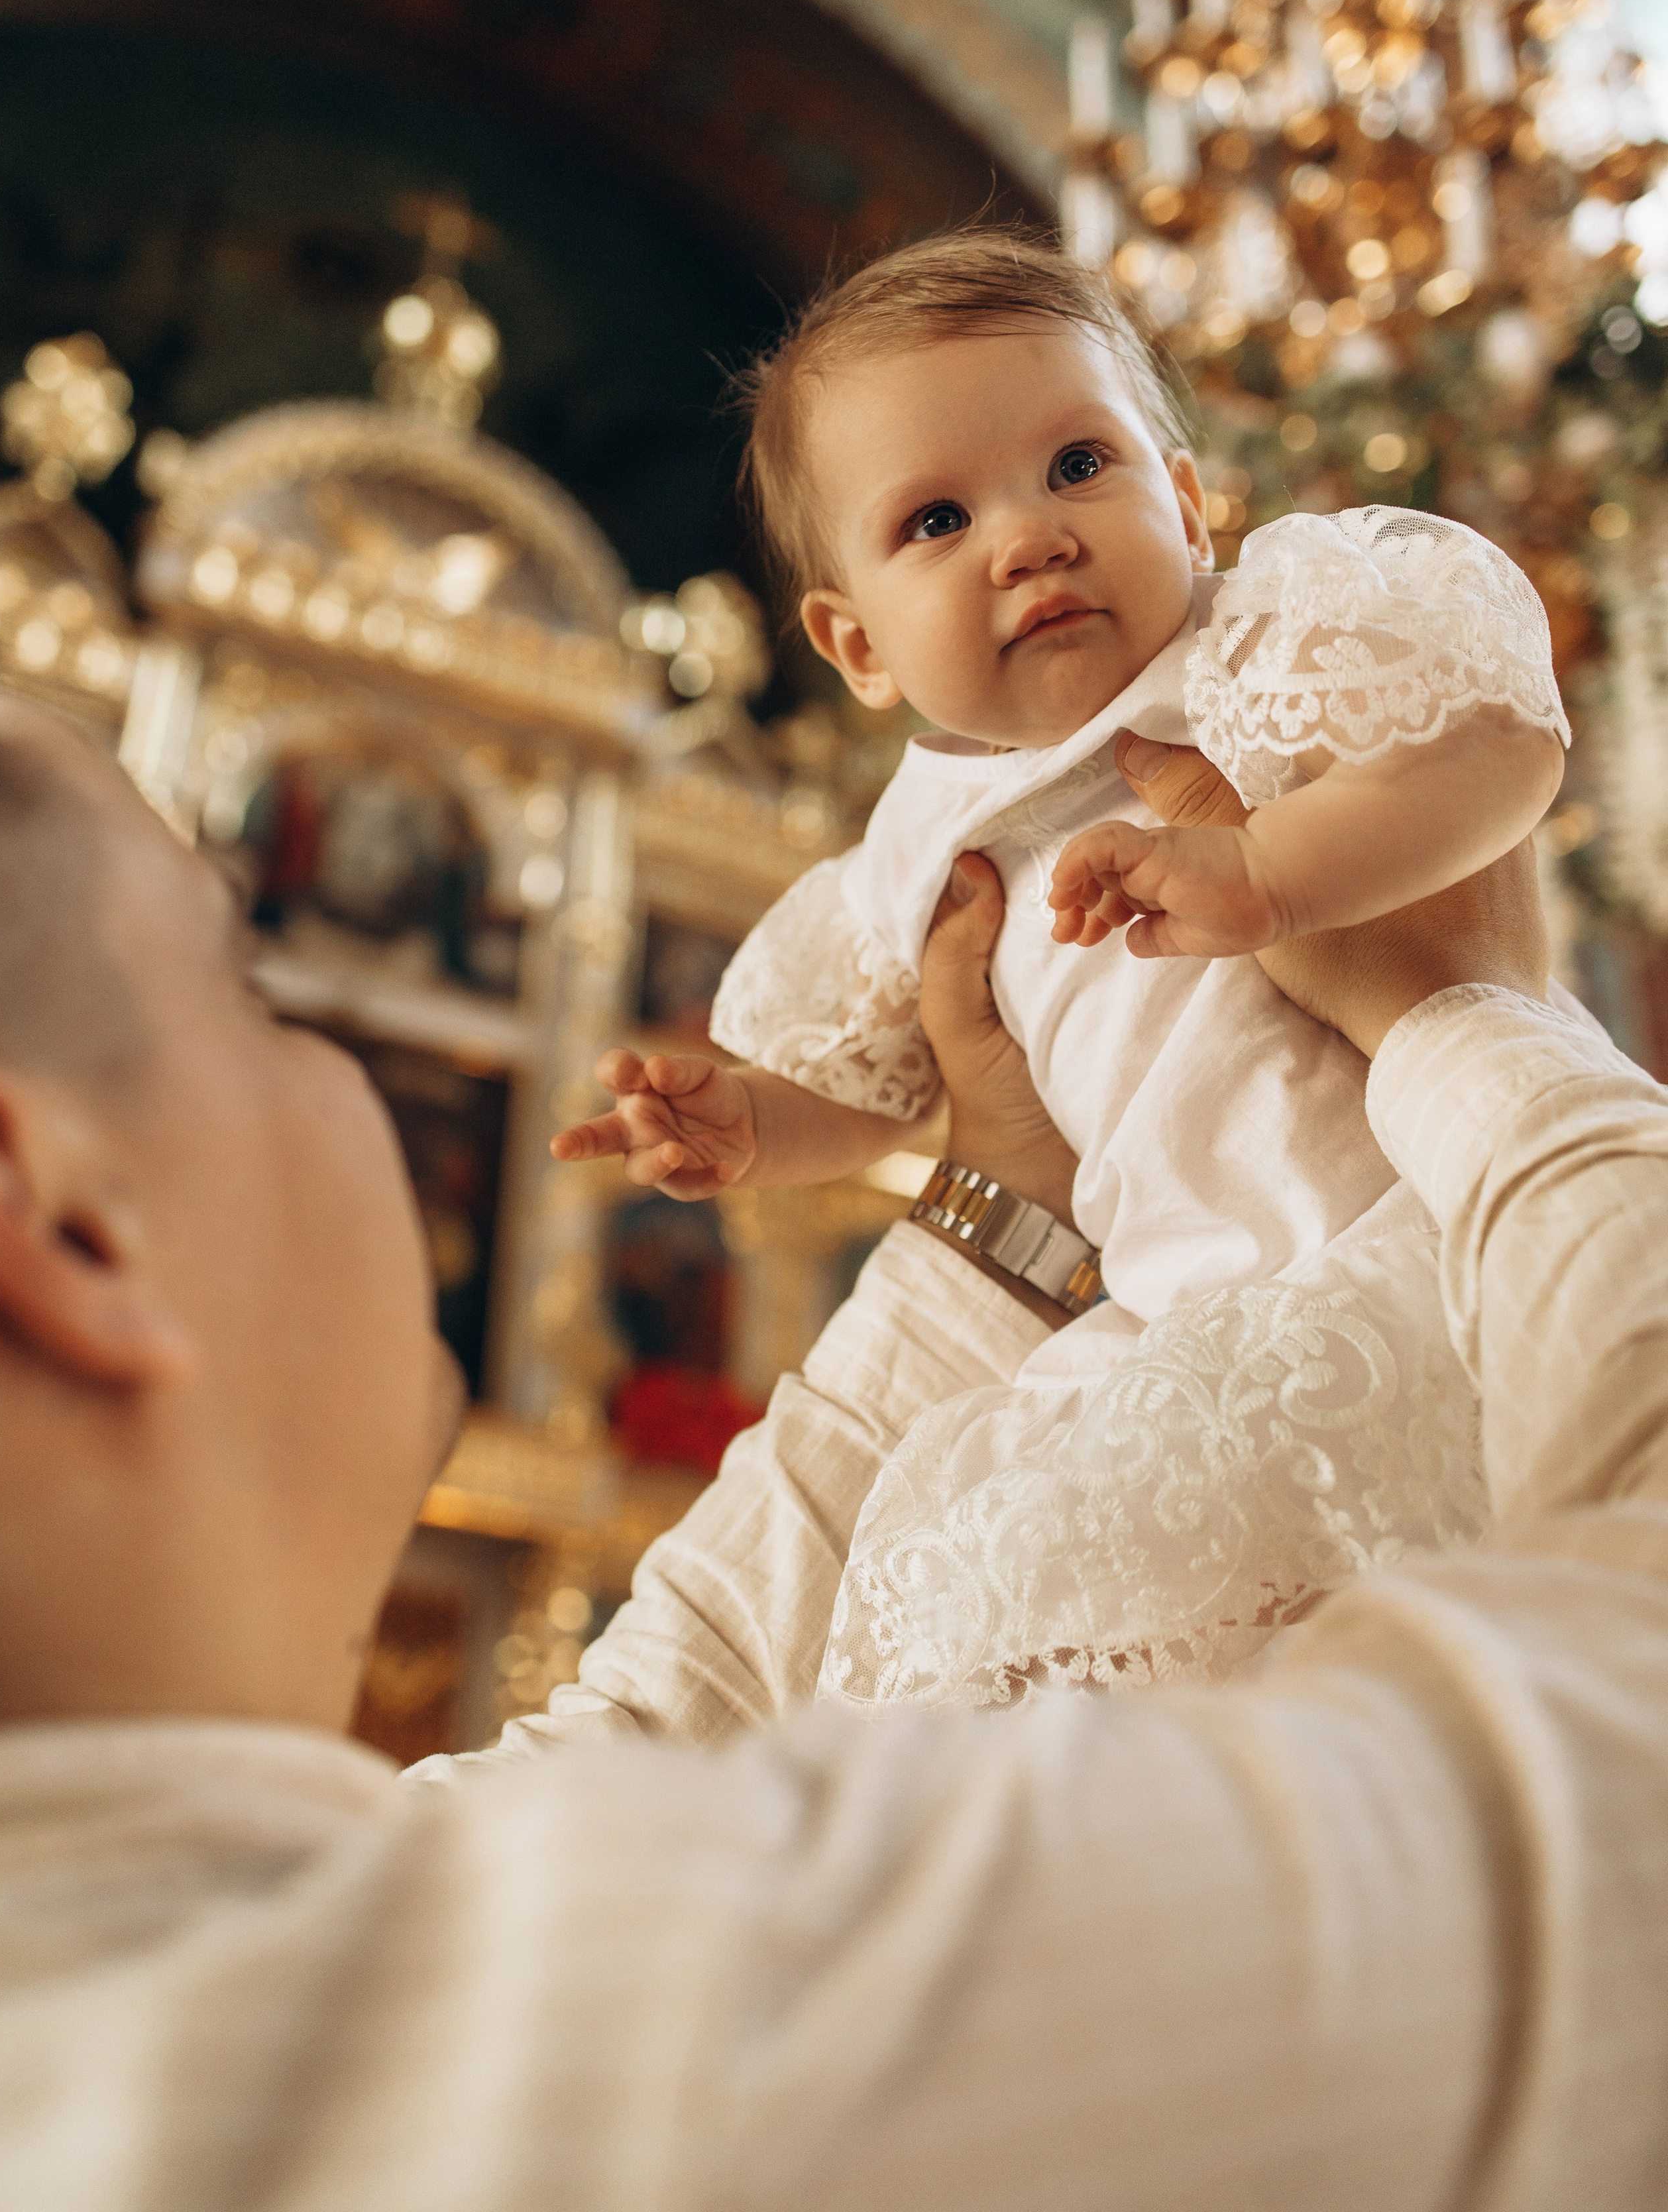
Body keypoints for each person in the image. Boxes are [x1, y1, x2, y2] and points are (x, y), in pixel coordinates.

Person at [0, 660, 1668, 2209]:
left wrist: (1002, 1211)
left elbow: (664, 1719)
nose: (340, 1074)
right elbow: (1619, 1829)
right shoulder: (652, 2059)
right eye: (253, 995)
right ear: (59, 1219)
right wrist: (1475, 1024)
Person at [553, 228, 1569, 1709]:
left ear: (1185, 496)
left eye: (1077, 466)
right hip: (1182, 1321)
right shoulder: (918, 842)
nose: (1026, 537)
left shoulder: (1254, 652)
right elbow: (891, 1082)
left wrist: (1274, 870)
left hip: (1416, 1229)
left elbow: (1499, 748)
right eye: (936, 520)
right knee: (1062, 1619)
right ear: (854, 645)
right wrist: (761, 1124)